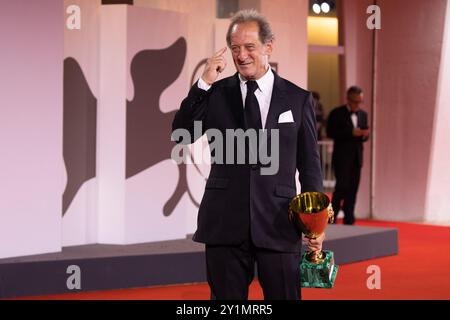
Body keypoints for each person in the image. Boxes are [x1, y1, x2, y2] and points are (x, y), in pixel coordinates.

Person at [172, 9, 324, 300]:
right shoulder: (215, 93)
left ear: (268, 46)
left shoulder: (298, 98)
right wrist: (203, 84)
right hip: (224, 223)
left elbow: (310, 166)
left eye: (249, 47)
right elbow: (182, 133)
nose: (241, 55)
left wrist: (315, 222)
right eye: (235, 48)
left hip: (280, 223)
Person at [326, 86, 369, 225]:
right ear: (348, 99)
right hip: (341, 158)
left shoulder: (363, 114)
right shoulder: (337, 113)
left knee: (353, 189)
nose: (357, 104)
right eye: (355, 101)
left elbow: (364, 134)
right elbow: (330, 132)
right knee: (341, 188)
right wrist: (351, 132)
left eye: (360, 101)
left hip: (357, 158)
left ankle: (349, 219)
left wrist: (364, 135)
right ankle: (332, 218)